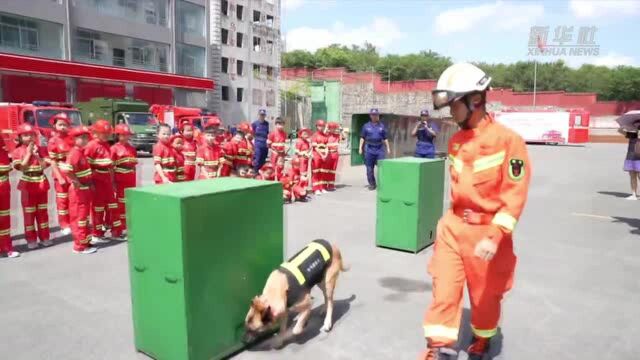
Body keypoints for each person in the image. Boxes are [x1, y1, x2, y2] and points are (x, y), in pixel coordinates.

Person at [420, 63, 531, 360]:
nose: (450, 112)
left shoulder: (509, 142)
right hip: (453, 229)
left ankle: (482, 339)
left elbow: (514, 197)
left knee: (485, 300)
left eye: (454, 105)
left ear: (476, 101)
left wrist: (495, 236)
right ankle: (439, 349)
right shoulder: (456, 141)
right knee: (444, 289)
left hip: (487, 236)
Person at [11, 124, 52, 249]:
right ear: (20, 137)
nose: (29, 137)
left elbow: (45, 165)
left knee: (43, 213)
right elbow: (20, 167)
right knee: (29, 214)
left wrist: (37, 155)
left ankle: (45, 237)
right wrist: (28, 154)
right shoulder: (17, 151)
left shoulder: (42, 149)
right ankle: (31, 239)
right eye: (25, 135)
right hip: (27, 184)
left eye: (31, 135)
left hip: (41, 182)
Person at [61, 126, 97, 254]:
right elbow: (67, 170)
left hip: (84, 189)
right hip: (78, 190)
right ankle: (79, 246)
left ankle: (85, 240)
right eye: (81, 138)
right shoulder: (74, 153)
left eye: (86, 138)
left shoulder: (81, 152)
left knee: (84, 217)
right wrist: (75, 182)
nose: (84, 140)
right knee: (79, 218)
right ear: (74, 139)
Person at [85, 120, 121, 242]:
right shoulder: (91, 146)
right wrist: (90, 182)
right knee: (98, 208)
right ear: (95, 133)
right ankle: (96, 233)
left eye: (107, 133)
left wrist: (113, 181)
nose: (106, 135)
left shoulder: (106, 145)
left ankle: (115, 231)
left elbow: (110, 165)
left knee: (112, 205)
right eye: (103, 133)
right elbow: (86, 165)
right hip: (97, 180)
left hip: (107, 180)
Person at [47, 112, 73, 236]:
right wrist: (59, 177)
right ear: (55, 126)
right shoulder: (53, 141)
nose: (63, 127)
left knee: (73, 200)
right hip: (61, 174)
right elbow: (53, 162)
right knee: (62, 201)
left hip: (72, 173)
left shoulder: (71, 138)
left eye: (65, 125)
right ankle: (64, 224)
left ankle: (73, 222)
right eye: (60, 124)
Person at [110, 124, 137, 236]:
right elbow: (111, 167)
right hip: (120, 179)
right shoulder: (114, 149)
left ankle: (126, 225)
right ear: (118, 135)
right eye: (124, 135)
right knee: (120, 204)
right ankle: (118, 228)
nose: (126, 137)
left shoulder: (132, 148)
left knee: (129, 203)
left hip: (130, 178)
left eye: (127, 135)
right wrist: (112, 182)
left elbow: (134, 165)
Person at [359, 108, 391, 190]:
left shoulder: (382, 126)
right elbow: (362, 138)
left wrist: (388, 148)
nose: (374, 116)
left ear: (378, 115)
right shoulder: (366, 126)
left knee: (382, 167)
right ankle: (372, 184)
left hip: (379, 148)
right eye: (373, 115)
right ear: (370, 116)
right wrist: (360, 148)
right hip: (369, 148)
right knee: (369, 168)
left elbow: (385, 138)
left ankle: (382, 184)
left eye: (376, 115)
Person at [0, 136, 17, 258]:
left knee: (4, 219)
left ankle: (7, 246)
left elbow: (6, 168)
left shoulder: (2, 152)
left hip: (4, 189)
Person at [618, 121, 640, 200]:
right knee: (632, 175)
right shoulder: (632, 134)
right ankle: (634, 194)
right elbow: (620, 131)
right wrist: (624, 125)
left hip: (639, 158)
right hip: (630, 157)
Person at [311, 120, 329, 195]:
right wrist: (322, 155)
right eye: (319, 126)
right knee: (316, 172)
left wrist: (326, 154)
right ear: (317, 126)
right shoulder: (314, 135)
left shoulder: (325, 136)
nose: (321, 127)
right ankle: (315, 188)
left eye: (322, 126)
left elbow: (327, 146)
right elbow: (315, 147)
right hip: (316, 155)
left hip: (324, 155)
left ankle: (322, 187)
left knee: (322, 172)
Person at [326, 122, 341, 191]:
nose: (332, 129)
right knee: (327, 170)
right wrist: (326, 128)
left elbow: (344, 136)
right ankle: (325, 185)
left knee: (333, 170)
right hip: (328, 154)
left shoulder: (337, 135)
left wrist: (340, 128)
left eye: (334, 128)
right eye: (331, 128)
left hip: (335, 154)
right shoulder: (326, 135)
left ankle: (331, 185)